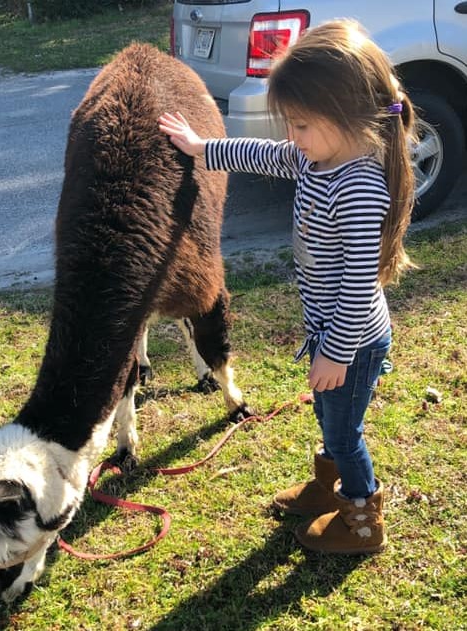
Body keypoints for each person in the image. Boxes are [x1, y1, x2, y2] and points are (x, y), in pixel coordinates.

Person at [159, 19, 416, 554]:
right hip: (329, 335)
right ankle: (327, 490)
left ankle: (363, 521)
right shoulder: (317, 155)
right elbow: (263, 155)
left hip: (353, 341)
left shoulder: (360, 187)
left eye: (300, 125)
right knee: (328, 417)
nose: (291, 138)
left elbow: (357, 285)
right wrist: (200, 146)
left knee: (346, 434)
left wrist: (337, 354)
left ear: (347, 118)